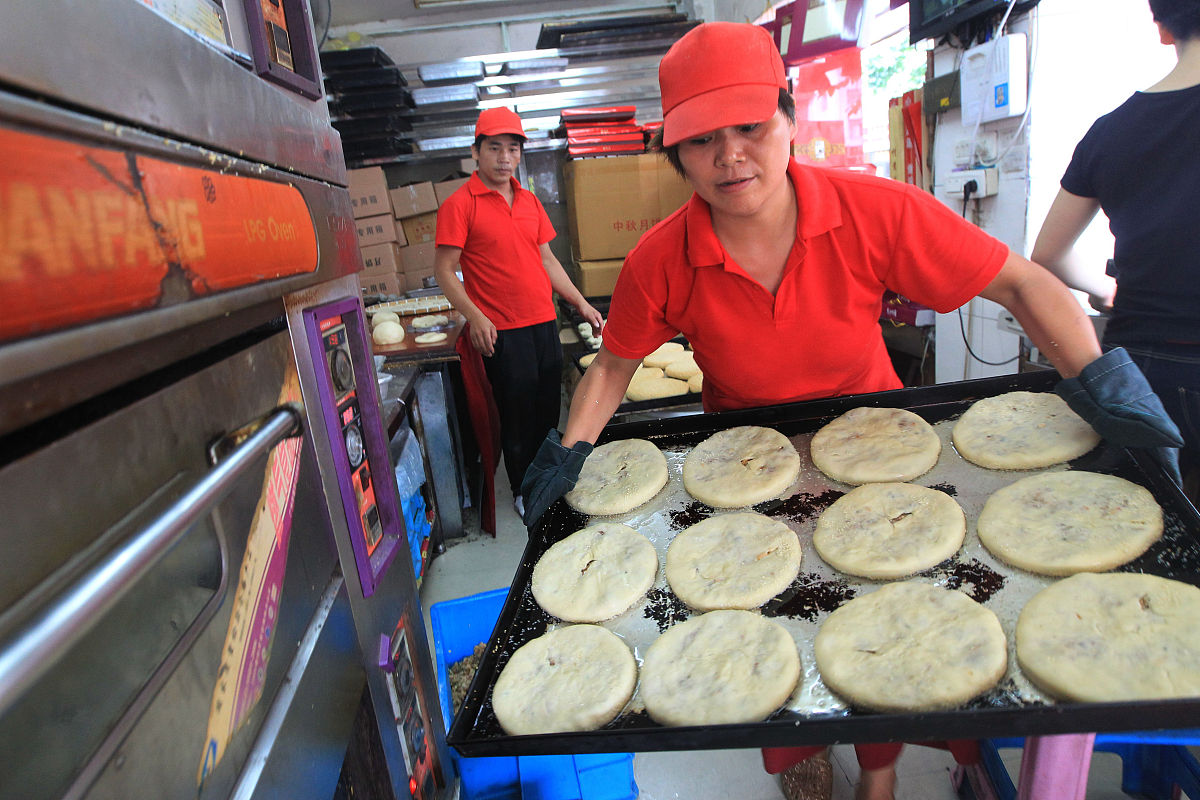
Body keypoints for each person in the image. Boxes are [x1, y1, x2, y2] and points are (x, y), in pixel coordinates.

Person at [519, 21, 1183, 800]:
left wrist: (1101, 382)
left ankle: (881, 768)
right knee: (766, 625)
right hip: (742, 461)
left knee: (887, 615)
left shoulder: (871, 211)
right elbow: (615, 367)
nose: (731, 156)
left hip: (877, 447)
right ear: (675, 152)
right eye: (702, 141)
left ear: (789, 119)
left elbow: (1024, 284)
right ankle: (801, 755)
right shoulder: (661, 258)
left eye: (752, 127)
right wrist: (568, 454)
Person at [1031, 0, 1200, 502]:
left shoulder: (1111, 130)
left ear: (1163, 30)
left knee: (1144, 525)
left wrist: (1108, 289)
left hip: (1140, 368)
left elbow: (1049, 254)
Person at [434, 107, 603, 518]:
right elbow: (443, 270)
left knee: (548, 411)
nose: (504, 157)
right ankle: (524, 491)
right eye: (494, 148)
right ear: (477, 152)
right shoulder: (460, 204)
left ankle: (547, 479)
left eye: (512, 149)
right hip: (502, 331)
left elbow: (547, 260)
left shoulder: (529, 201)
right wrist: (475, 316)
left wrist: (579, 302)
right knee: (517, 416)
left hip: (543, 322)